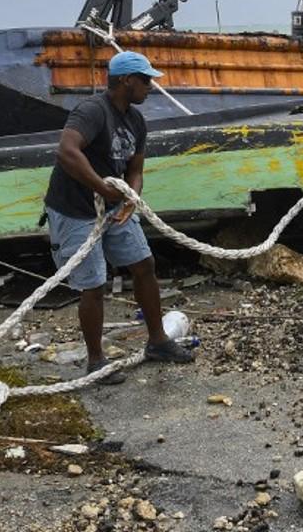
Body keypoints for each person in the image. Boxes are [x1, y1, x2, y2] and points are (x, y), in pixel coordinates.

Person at [43, 51, 194, 383]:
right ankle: (95, 361)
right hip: (76, 209)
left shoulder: (136, 120)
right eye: (146, 80)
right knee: (93, 284)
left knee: (144, 265)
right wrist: (102, 187)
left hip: (114, 206)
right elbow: (67, 151)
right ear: (127, 81)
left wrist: (130, 197)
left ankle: (158, 341)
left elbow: (135, 169)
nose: (150, 87)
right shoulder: (93, 111)